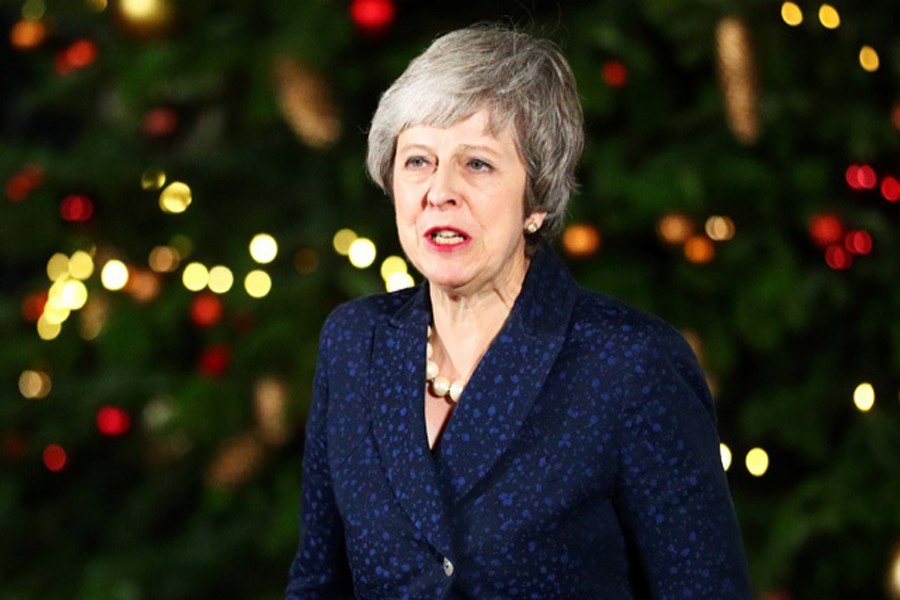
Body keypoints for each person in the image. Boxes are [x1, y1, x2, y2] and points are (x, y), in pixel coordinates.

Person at [286, 25, 753, 599]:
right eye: (418, 161)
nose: (440, 190)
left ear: (536, 200)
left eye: (477, 164)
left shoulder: (631, 365)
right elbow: (316, 584)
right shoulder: (353, 344)